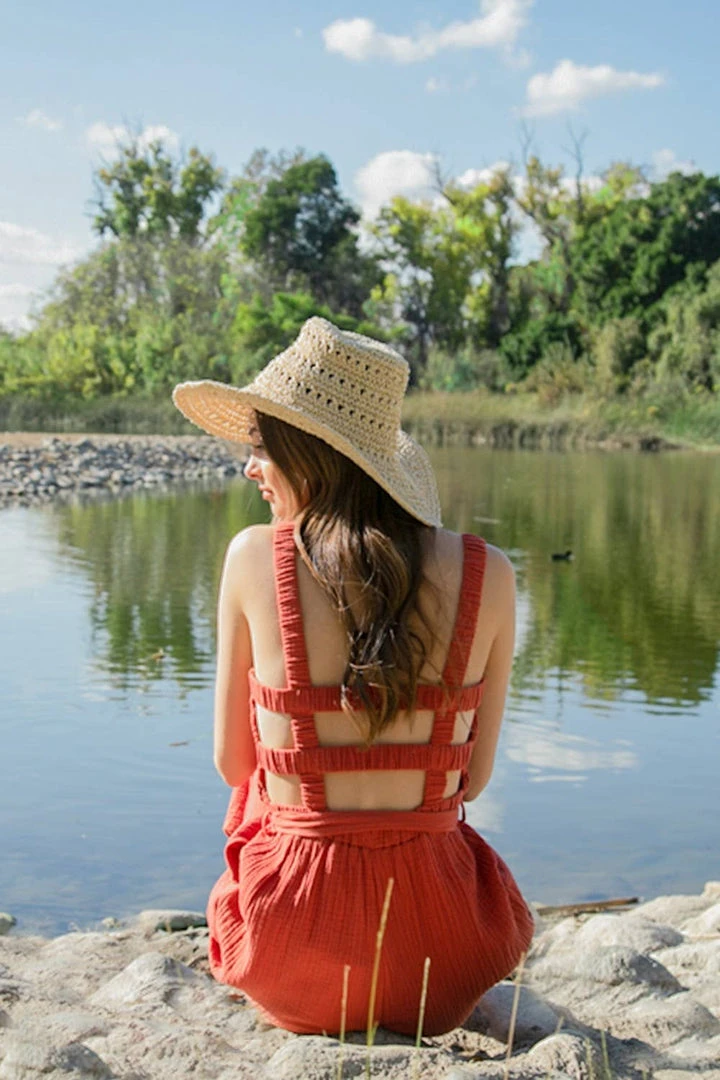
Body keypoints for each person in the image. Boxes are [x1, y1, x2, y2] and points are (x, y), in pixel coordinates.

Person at [172, 317, 533, 1037]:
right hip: (443, 956)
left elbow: (233, 765)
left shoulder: (253, 558)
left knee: (258, 789)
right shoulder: (488, 571)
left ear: (309, 454)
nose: (250, 468)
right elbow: (472, 783)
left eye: (260, 446)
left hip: (291, 949)